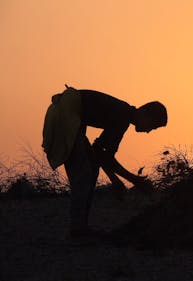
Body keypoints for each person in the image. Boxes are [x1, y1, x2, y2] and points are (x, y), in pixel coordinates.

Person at [42, 85, 168, 238]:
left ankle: (80, 227)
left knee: (91, 167)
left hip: (68, 114)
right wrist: (134, 180)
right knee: (84, 175)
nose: (148, 131)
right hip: (67, 114)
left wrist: (116, 180)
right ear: (144, 114)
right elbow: (104, 156)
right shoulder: (122, 117)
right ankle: (78, 230)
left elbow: (100, 154)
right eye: (152, 126)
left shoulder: (123, 115)